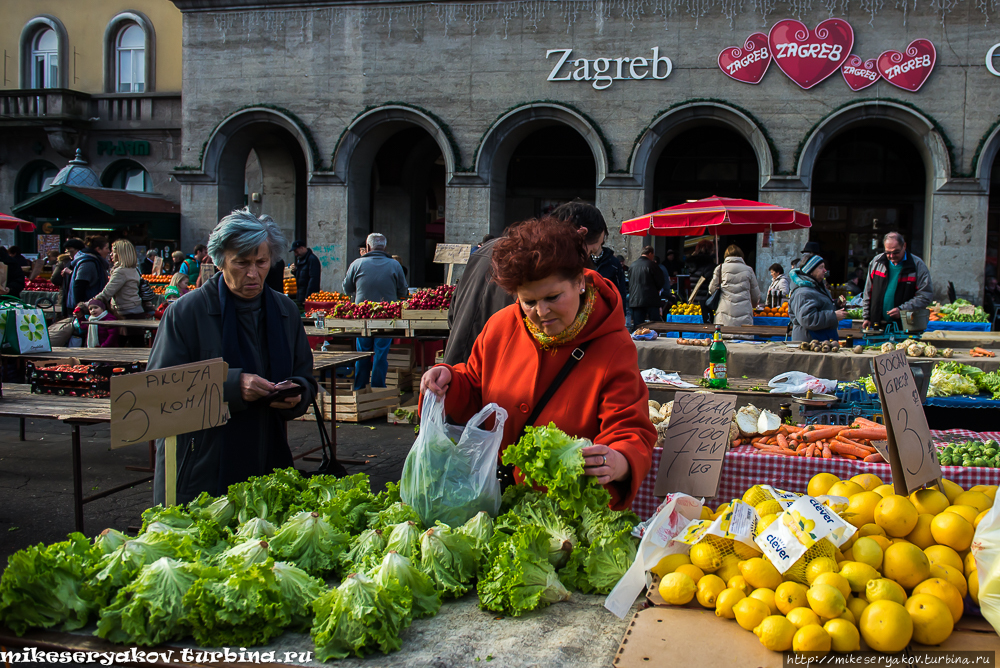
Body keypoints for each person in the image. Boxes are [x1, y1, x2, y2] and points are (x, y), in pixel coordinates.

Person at [420, 217, 655, 510]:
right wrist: (448, 381)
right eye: (528, 302)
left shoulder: (613, 344)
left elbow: (628, 425)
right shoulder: (500, 326)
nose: (541, 312)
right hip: (496, 500)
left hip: (567, 513)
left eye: (553, 297)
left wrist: (619, 460)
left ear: (580, 281)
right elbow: (473, 388)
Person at [148, 208, 317, 505]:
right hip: (201, 470)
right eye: (241, 263)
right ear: (220, 260)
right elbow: (155, 394)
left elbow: (305, 376)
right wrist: (232, 386)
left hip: (268, 463)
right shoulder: (186, 313)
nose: (253, 273)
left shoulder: (285, 311)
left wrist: (297, 394)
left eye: (261, 262)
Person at [343, 233, 408, 389]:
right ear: (385, 247)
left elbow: (347, 289)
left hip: (362, 317)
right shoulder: (395, 265)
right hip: (386, 317)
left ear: (367, 247)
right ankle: (378, 389)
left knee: (362, 353)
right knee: (380, 354)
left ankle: (360, 388)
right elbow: (403, 292)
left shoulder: (356, 264)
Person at [862, 232, 933, 332]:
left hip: (906, 327)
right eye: (888, 252)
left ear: (904, 246)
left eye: (896, 252)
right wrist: (866, 317)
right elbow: (868, 291)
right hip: (878, 327)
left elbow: (925, 296)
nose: (891, 256)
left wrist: (902, 310)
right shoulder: (876, 262)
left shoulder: (917, 266)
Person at [788, 254, 847, 341]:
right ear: (810, 271)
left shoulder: (818, 288)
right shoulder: (803, 292)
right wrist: (833, 316)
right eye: (821, 267)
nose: (825, 270)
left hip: (822, 341)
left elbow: (822, 309)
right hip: (809, 344)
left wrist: (836, 305)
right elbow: (808, 319)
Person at [707, 245, 761, 326]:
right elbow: (755, 296)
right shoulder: (749, 270)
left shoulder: (720, 268)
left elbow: (711, 290)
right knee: (744, 336)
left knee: (724, 336)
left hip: (724, 312)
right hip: (744, 313)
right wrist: (752, 305)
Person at [93, 239, 144, 320]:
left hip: (125, 312)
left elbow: (107, 292)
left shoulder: (120, 272)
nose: (111, 254)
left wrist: (90, 303)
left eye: (113, 252)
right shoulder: (133, 269)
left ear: (120, 254)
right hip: (135, 309)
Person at [628, 246, 665, 326]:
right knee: (654, 326)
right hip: (651, 299)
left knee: (638, 326)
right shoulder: (652, 265)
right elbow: (660, 281)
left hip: (635, 299)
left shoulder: (632, 265)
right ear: (650, 253)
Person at [68, 236, 110, 307]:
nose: (108, 251)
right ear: (98, 249)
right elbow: (79, 285)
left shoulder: (95, 261)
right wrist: (80, 308)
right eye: (106, 248)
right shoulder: (88, 263)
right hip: (88, 308)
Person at [292, 240, 322, 304]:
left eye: (296, 251)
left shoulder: (312, 259)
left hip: (307, 297)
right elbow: (302, 276)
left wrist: (308, 297)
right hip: (301, 295)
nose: (295, 254)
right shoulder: (301, 260)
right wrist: (295, 271)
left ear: (302, 248)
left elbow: (314, 279)